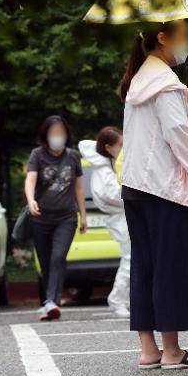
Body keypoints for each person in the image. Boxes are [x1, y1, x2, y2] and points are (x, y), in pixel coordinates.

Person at [118, 20, 188, 370]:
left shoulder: (139, 80)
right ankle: (173, 351)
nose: (187, 42)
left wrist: (187, 98)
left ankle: (149, 349)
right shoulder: (167, 85)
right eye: (184, 35)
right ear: (163, 38)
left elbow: (159, 130)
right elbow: (177, 136)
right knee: (171, 268)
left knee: (144, 266)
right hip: (164, 189)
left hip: (135, 187)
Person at [24, 115, 87, 321]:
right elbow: (30, 179)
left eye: (60, 133)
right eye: (53, 133)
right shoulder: (37, 155)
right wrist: (31, 200)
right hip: (40, 218)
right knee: (45, 262)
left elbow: (78, 187)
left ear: (67, 135)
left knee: (58, 257)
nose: (57, 137)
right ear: (46, 135)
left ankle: (52, 301)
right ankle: (48, 302)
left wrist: (83, 214)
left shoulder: (73, 157)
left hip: (66, 218)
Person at [78, 127, 130, 318]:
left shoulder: (108, 163)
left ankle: (126, 299)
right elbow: (113, 194)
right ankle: (118, 299)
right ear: (108, 148)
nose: (124, 148)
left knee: (133, 260)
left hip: (123, 217)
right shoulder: (104, 171)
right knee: (130, 260)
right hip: (120, 219)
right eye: (121, 145)